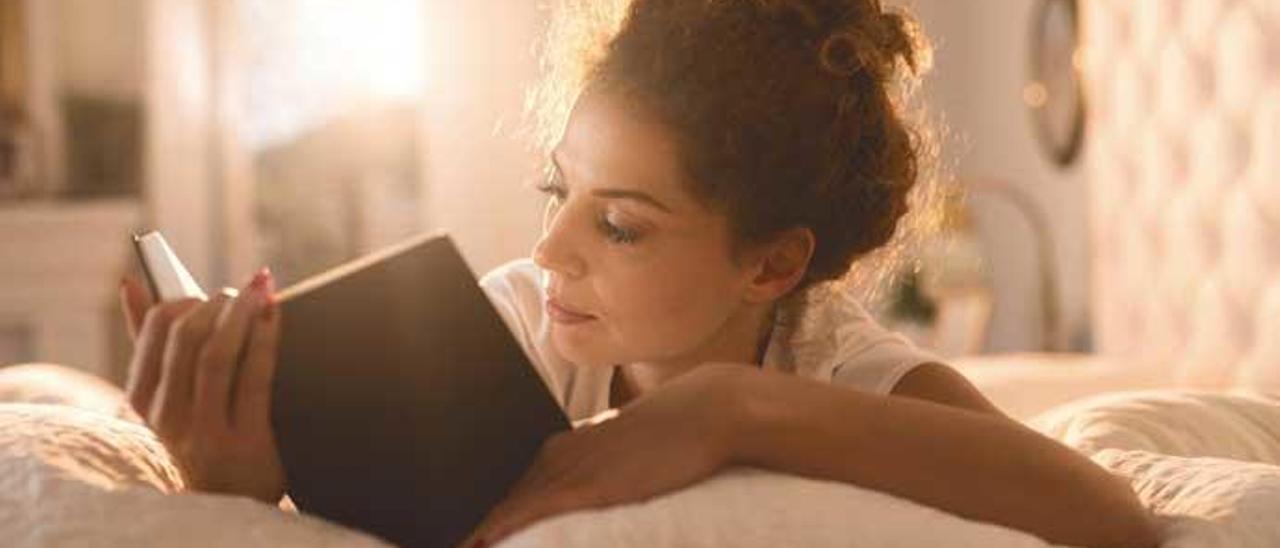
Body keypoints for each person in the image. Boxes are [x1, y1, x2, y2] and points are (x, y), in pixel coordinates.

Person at [119, 1, 1159, 547]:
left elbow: (1109, 516)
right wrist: (239, 492)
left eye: (617, 224)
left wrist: (730, 409)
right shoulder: (514, 327)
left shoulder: (836, 367)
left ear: (771, 261)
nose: (548, 250)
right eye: (553, 190)